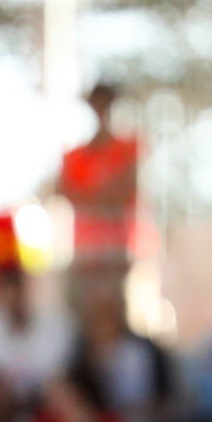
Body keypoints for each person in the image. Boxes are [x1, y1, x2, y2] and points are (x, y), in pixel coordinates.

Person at [56, 83, 141, 313]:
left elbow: (124, 192)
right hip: (85, 251)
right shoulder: (75, 155)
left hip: (118, 250)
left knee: (118, 312)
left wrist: (90, 194)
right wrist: (103, 194)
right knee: (80, 312)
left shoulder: (128, 147)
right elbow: (66, 193)